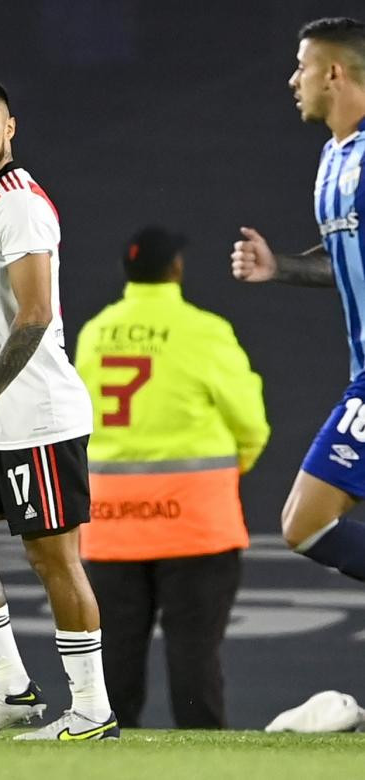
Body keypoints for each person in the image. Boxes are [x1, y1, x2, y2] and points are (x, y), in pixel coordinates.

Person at [0, 75, 119, 741]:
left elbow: (36, 314)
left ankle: (93, 711)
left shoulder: (20, 206)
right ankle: (13, 689)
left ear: (11, 129)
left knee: (53, 562)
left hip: (36, 418)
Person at [76, 227, 270, 729]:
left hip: (110, 524)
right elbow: (250, 422)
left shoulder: (95, 332)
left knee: (114, 669)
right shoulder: (203, 331)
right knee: (194, 661)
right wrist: (230, 470)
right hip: (194, 522)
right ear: (176, 268)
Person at [230, 17, 365, 582]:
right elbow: (346, 260)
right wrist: (279, 266)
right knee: (305, 525)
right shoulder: (334, 157)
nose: (293, 80)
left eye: (302, 67)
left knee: (305, 522)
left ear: (333, 72)